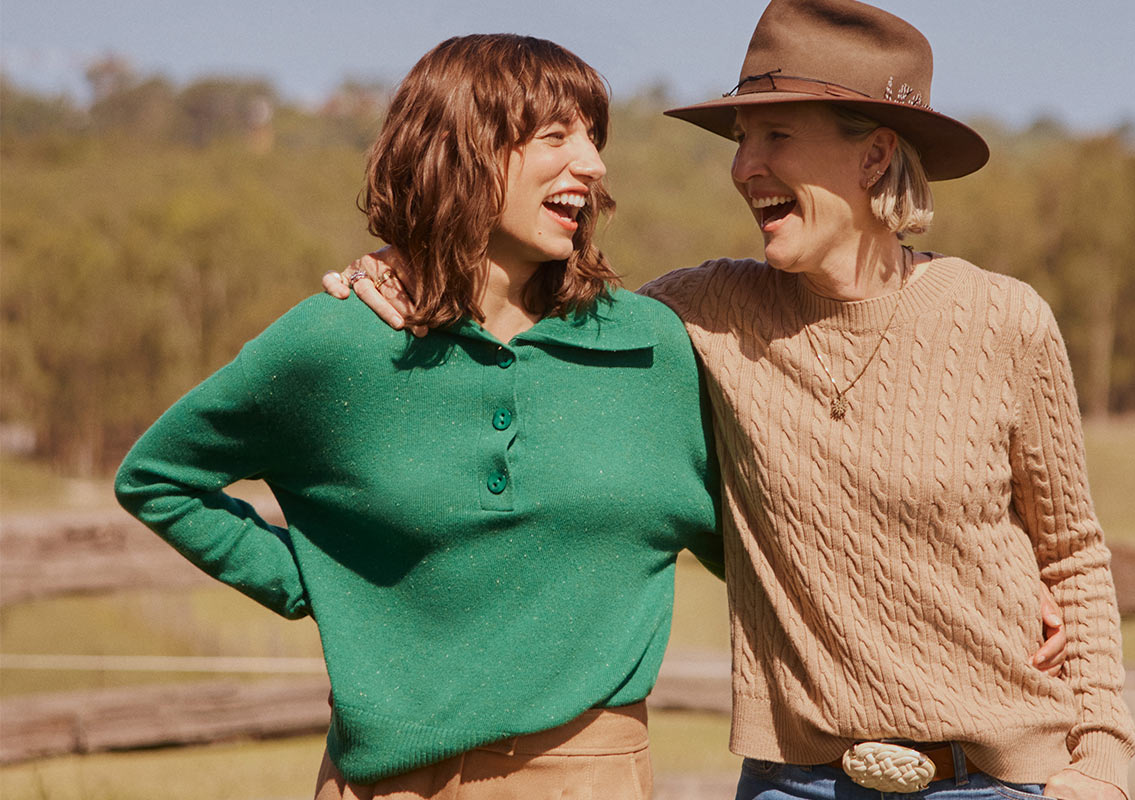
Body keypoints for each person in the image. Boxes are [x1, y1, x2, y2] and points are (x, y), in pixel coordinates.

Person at [331, 2, 1135, 798]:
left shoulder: (1003, 320)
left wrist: (1100, 764)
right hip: (794, 785)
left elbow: (1071, 553)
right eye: (742, 139)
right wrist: (403, 261)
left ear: (875, 156)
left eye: (775, 136)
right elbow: (521, 309)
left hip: (991, 782)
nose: (743, 165)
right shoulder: (697, 315)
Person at [117, 34, 722, 799]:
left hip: (585, 776)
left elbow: (756, 549)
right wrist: (318, 585)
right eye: (558, 136)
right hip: (381, 784)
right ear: (465, 152)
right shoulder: (337, 338)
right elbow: (158, 477)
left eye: (595, 138)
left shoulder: (649, 348)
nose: (594, 164)